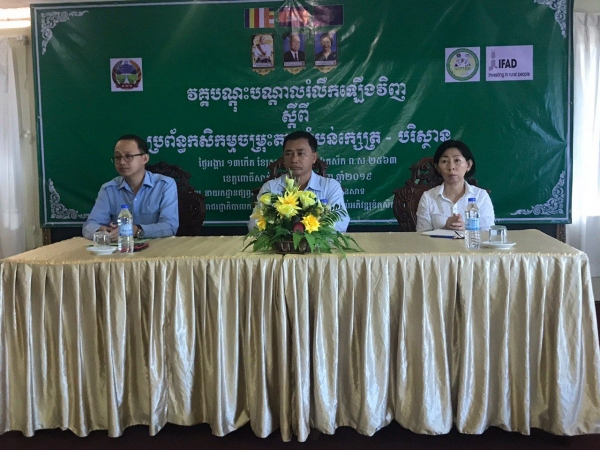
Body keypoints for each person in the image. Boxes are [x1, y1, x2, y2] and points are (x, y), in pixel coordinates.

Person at [248, 131, 349, 232]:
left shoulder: (330, 186)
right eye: (289, 154)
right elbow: (254, 225)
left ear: (314, 157)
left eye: (301, 153)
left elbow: (340, 223)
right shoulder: (270, 187)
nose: (294, 159)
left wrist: (307, 231)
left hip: (319, 243)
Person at [82, 134, 179, 240]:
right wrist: (101, 231)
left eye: (128, 156)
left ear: (145, 158)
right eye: (117, 157)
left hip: (157, 247)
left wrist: (136, 230)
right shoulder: (108, 189)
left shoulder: (164, 185)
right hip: (119, 248)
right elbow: (89, 226)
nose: (122, 162)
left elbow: (170, 227)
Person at [416, 139, 495, 232]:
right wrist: (445, 229)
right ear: (437, 167)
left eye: (457, 160)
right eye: (445, 161)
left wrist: (466, 230)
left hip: (471, 242)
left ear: (468, 165)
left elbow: (488, 233)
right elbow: (421, 236)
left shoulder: (481, 196)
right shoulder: (428, 197)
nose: (451, 167)